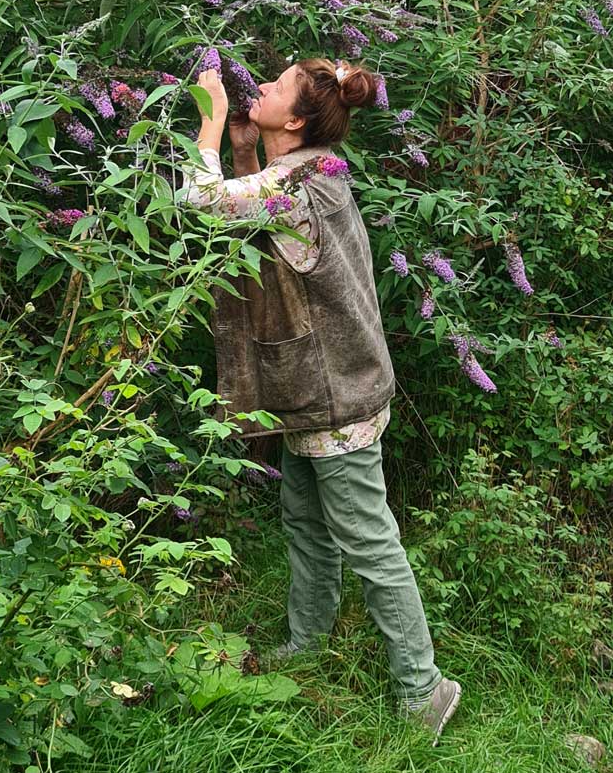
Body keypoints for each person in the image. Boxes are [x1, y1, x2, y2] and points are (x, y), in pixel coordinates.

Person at [178, 56, 461, 744]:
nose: (261, 89)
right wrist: (245, 146)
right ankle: (308, 643)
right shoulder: (312, 170)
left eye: (274, 88)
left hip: (337, 398)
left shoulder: (306, 185)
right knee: (304, 521)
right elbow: (261, 207)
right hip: (317, 388)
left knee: (370, 541)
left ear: (297, 120)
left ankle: (425, 687)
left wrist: (211, 124)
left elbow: (204, 204)